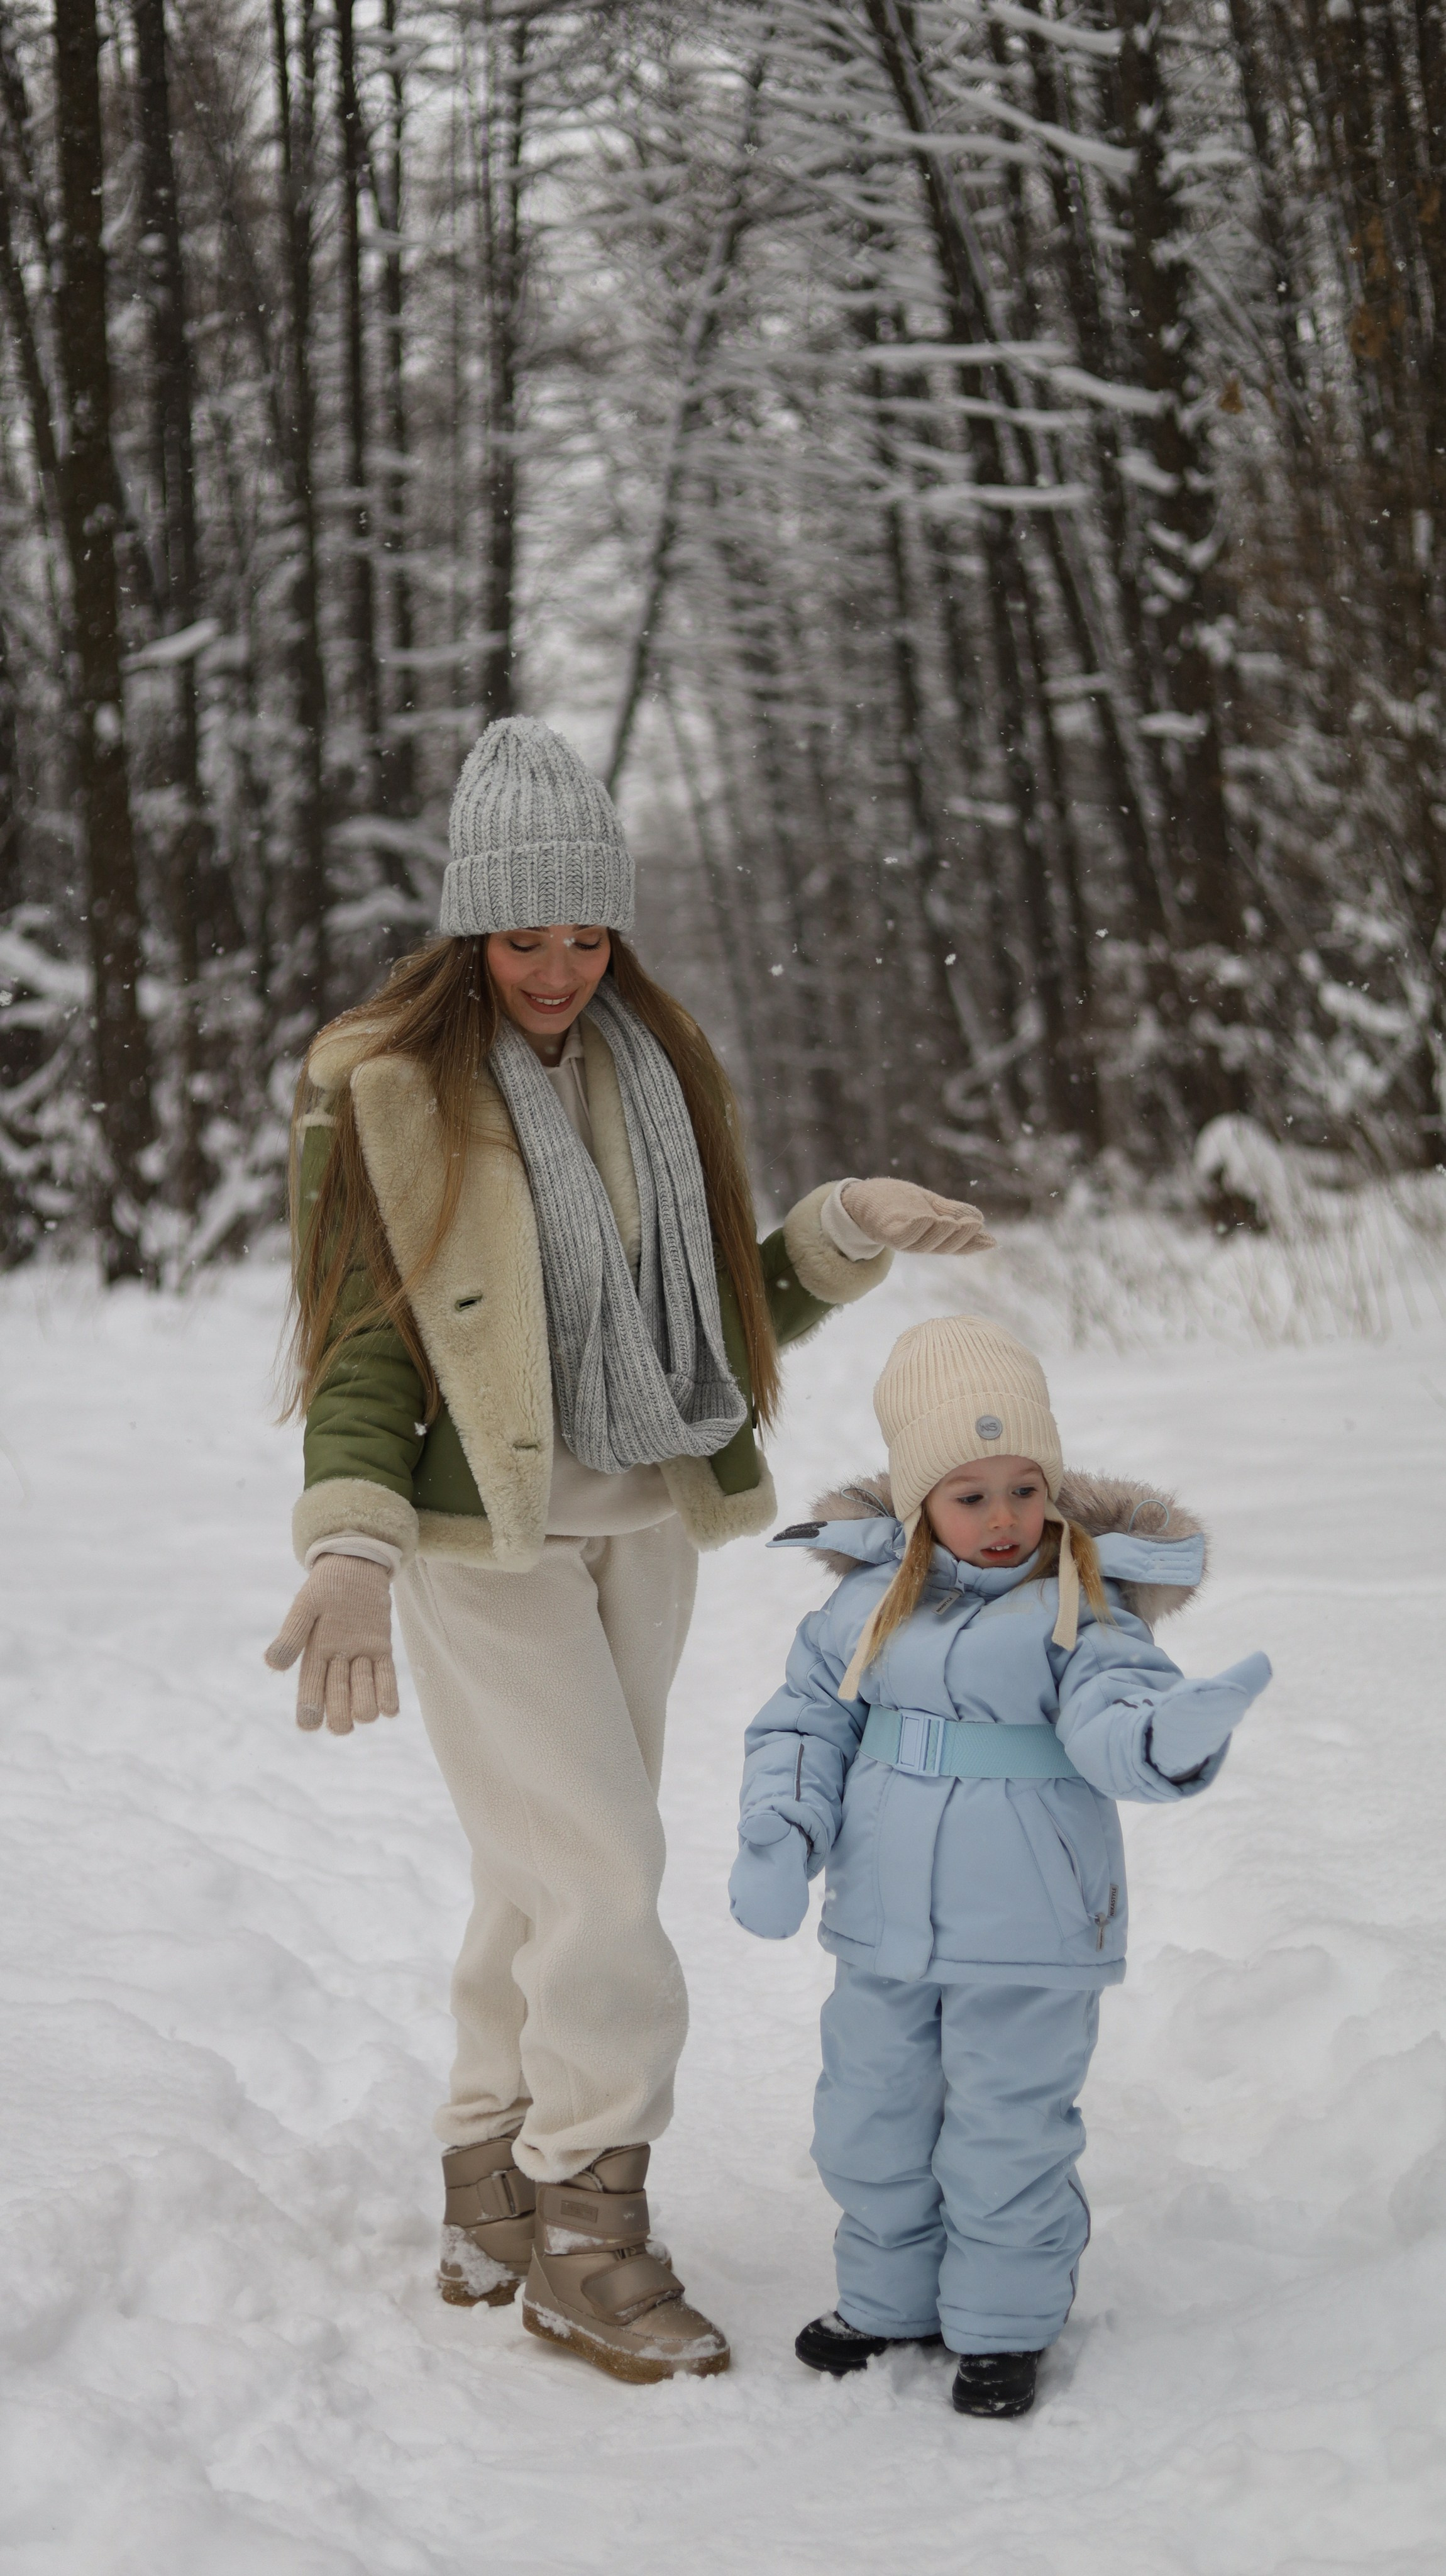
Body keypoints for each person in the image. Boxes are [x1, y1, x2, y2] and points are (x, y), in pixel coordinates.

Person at [264, 716, 996, 2385]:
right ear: (469, 929)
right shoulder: (384, 1086)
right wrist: (357, 1542)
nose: (556, 967)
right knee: (601, 1872)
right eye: (523, 935)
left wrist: (838, 1230)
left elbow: (713, 1319)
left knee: (545, 1864)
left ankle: (487, 2185)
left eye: (584, 934)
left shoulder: (655, 1074)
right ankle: (586, 2223)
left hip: (641, 1517)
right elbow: (367, 1337)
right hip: (483, 1539)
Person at [728, 1312, 1271, 2418]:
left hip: (1031, 1935)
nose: (1004, 1518)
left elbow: (1115, 1714)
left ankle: (1002, 2326)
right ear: (919, 1498)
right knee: (870, 2116)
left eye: (1025, 1488)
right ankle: (886, 2299)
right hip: (884, 1926)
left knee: (1005, 2131)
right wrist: (781, 1830)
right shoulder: (862, 1606)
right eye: (970, 1496)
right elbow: (802, 1726)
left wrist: (1168, 1739)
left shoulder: (1084, 1607)